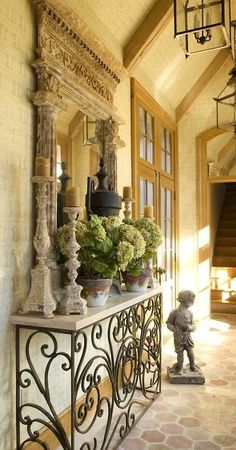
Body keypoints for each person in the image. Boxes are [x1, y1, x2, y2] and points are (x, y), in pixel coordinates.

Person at [166, 290, 197, 375]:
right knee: (180, 354)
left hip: (187, 336)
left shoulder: (190, 313)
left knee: (190, 352)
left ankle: (192, 366)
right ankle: (179, 368)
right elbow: (168, 323)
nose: (192, 304)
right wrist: (174, 330)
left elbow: (194, 325)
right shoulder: (174, 312)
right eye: (191, 302)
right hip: (178, 337)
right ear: (185, 300)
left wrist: (190, 327)